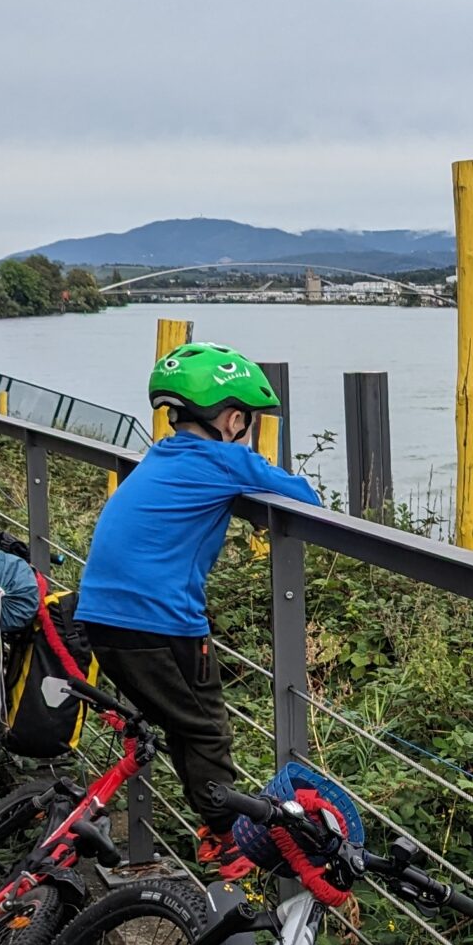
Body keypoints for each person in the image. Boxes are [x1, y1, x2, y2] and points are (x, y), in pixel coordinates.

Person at [74, 344, 321, 871]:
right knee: (205, 727)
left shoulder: (161, 455)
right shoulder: (225, 459)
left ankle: (213, 825)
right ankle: (228, 838)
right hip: (160, 622)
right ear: (233, 420)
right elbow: (307, 499)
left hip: (102, 615)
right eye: (248, 420)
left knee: (184, 723)